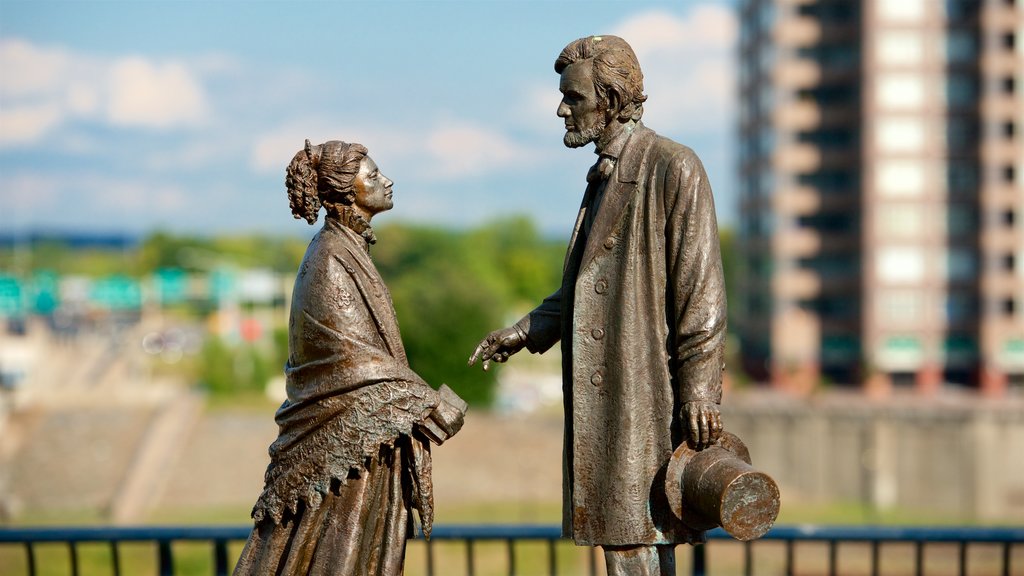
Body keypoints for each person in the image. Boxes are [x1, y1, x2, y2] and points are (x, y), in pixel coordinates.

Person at [469, 36, 726, 576]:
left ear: (609, 99)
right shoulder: (602, 177)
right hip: (608, 407)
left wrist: (700, 393)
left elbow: (700, 294)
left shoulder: (672, 167)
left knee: (637, 541)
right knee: (621, 543)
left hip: (643, 401)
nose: (562, 109)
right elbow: (579, 289)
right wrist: (522, 332)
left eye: (574, 97)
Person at [235, 140, 465, 576]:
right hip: (345, 452)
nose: (387, 180)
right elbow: (352, 365)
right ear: (345, 192)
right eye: (374, 176)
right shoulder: (328, 259)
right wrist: (426, 404)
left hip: (364, 446)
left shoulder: (348, 250)